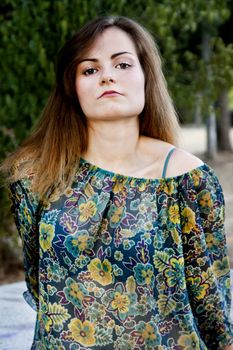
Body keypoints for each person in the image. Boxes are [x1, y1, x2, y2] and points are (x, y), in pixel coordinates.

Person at [1, 15, 233, 350]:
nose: (107, 75)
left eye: (123, 64)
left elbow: (213, 310)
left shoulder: (187, 180)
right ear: (72, 86)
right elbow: (40, 283)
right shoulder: (35, 174)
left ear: (146, 77)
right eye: (90, 69)